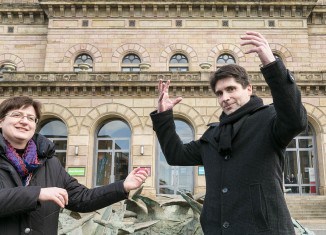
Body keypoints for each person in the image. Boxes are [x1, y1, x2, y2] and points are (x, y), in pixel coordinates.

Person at [150, 31, 307, 234]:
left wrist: (271, 64)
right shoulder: (213, 136)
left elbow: (295, 119)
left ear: (248, 89)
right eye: (220, 93)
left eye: (231, 89)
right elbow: (175, 155)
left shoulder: (268, 119)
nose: (225, 97)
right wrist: (164, 117)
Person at [0, 96, 149, 234]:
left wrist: (123, 186)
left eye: (31, 118)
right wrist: (37, 194)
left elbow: (82, 198)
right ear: (1, 121)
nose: (25, 121)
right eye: (17, 115)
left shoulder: (50, 163)